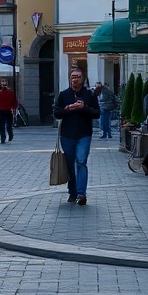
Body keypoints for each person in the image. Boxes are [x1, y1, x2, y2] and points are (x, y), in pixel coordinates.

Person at [53, 68, 99, 206]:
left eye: (77, 77)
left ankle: (81, 193)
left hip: (84, 134)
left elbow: (97, 113)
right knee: (70, 164)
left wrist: (84, 108)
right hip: (67, 135)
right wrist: (68, 108)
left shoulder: (89, 95)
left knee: (81, 162)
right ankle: (72, 191)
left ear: (82, 78)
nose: (75, 79)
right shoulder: (63, 95)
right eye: (72, 77)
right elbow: (57, 113)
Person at [0, 79, 17, 144]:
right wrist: (14, 108)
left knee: (1, 125)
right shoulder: (11, 92)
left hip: (1, 110)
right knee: (9, 124)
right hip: (9, 110)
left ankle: (3, 137)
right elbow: (15, 101)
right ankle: (10, 134)